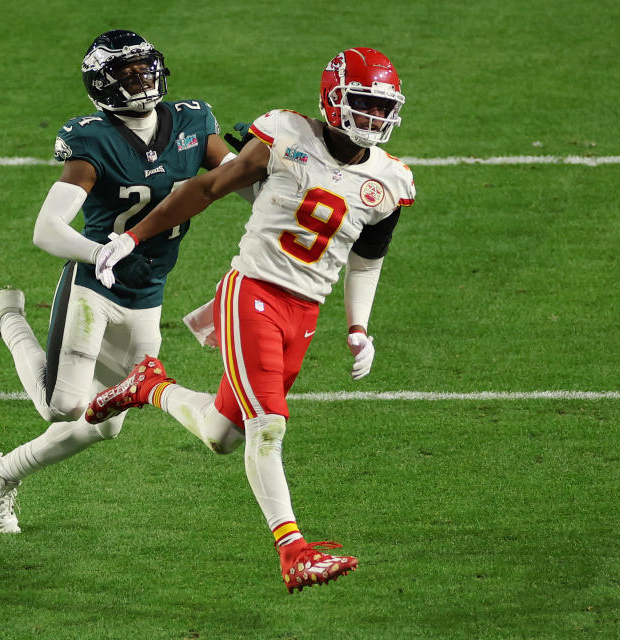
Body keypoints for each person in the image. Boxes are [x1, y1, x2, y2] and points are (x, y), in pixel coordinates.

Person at [85, 47, 416, 593]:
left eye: (382, 107)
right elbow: (209, 187)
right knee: (269, 425)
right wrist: (132, 235)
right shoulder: (286, 135)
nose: (373, 118)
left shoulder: (389, 181)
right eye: (362, 102)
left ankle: (148, 386)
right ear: (333, 99)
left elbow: (367, 260)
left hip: (305, 312)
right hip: (254, 293)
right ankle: (294, 549)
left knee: (222, 434)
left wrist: (359, 326)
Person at [0, 30, 239, 534]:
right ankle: (7, 316)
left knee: (104, 424)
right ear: (103, 86)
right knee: (62, 406)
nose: (141, 80)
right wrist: (100, 251)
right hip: (94, 288)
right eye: (126, 74)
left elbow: (237, 175)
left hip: (147, 294)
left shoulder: (192, 121)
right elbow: (47, 229)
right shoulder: (92, 140)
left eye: (145, 68)